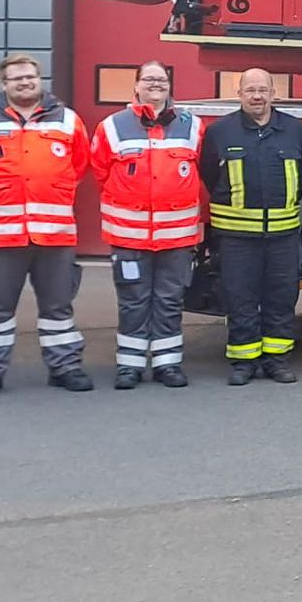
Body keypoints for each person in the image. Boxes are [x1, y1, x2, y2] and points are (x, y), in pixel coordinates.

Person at [0, 53, 94, 399]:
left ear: (39, 79)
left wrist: (53, 189)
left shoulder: (68, 120)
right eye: (17, 78)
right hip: (2, 235)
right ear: (4, 84)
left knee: (58, 308)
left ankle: (65, 368)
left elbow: (79, 165)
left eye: (30, 76)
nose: (25, 82)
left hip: (55, 234)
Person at [88, 60, 203, 390]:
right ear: (136, 85)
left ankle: (168, 364)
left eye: (162, 79)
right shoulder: (112, 127)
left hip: (177, 238)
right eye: (149, 79)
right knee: (133, 301)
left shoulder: (192, 126)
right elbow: (100, 171)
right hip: (129, 237)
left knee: (170, 300)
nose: (156, 84)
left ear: (170, 85)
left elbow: (203, 170)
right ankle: (130, 365)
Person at [198, 69, 302, 386]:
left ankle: (277, 361)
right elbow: (209, 174)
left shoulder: (293, 130)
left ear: (273, 93)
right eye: (250, 90)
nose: (257, 96)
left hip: (283, 236)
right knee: (240, 298)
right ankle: (243, 362)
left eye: (262, 90)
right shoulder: (220, 132)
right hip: (236, 238)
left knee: (281, 298)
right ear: (240, 94)